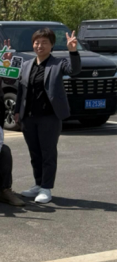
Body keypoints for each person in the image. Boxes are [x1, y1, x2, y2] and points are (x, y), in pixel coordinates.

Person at [14, 28, 81, 204]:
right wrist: (17, 111)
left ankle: (46, 188)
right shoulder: (26, 65)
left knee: (48, 153)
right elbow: (21, 90)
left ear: (52, 45)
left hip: (49, 117)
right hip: (29, 117)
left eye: (44, 42)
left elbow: (74, 70)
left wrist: (73, 51)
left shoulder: (58, 63)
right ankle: (38, 184)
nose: (40, 46)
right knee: (34, 153)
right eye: (37, 42)